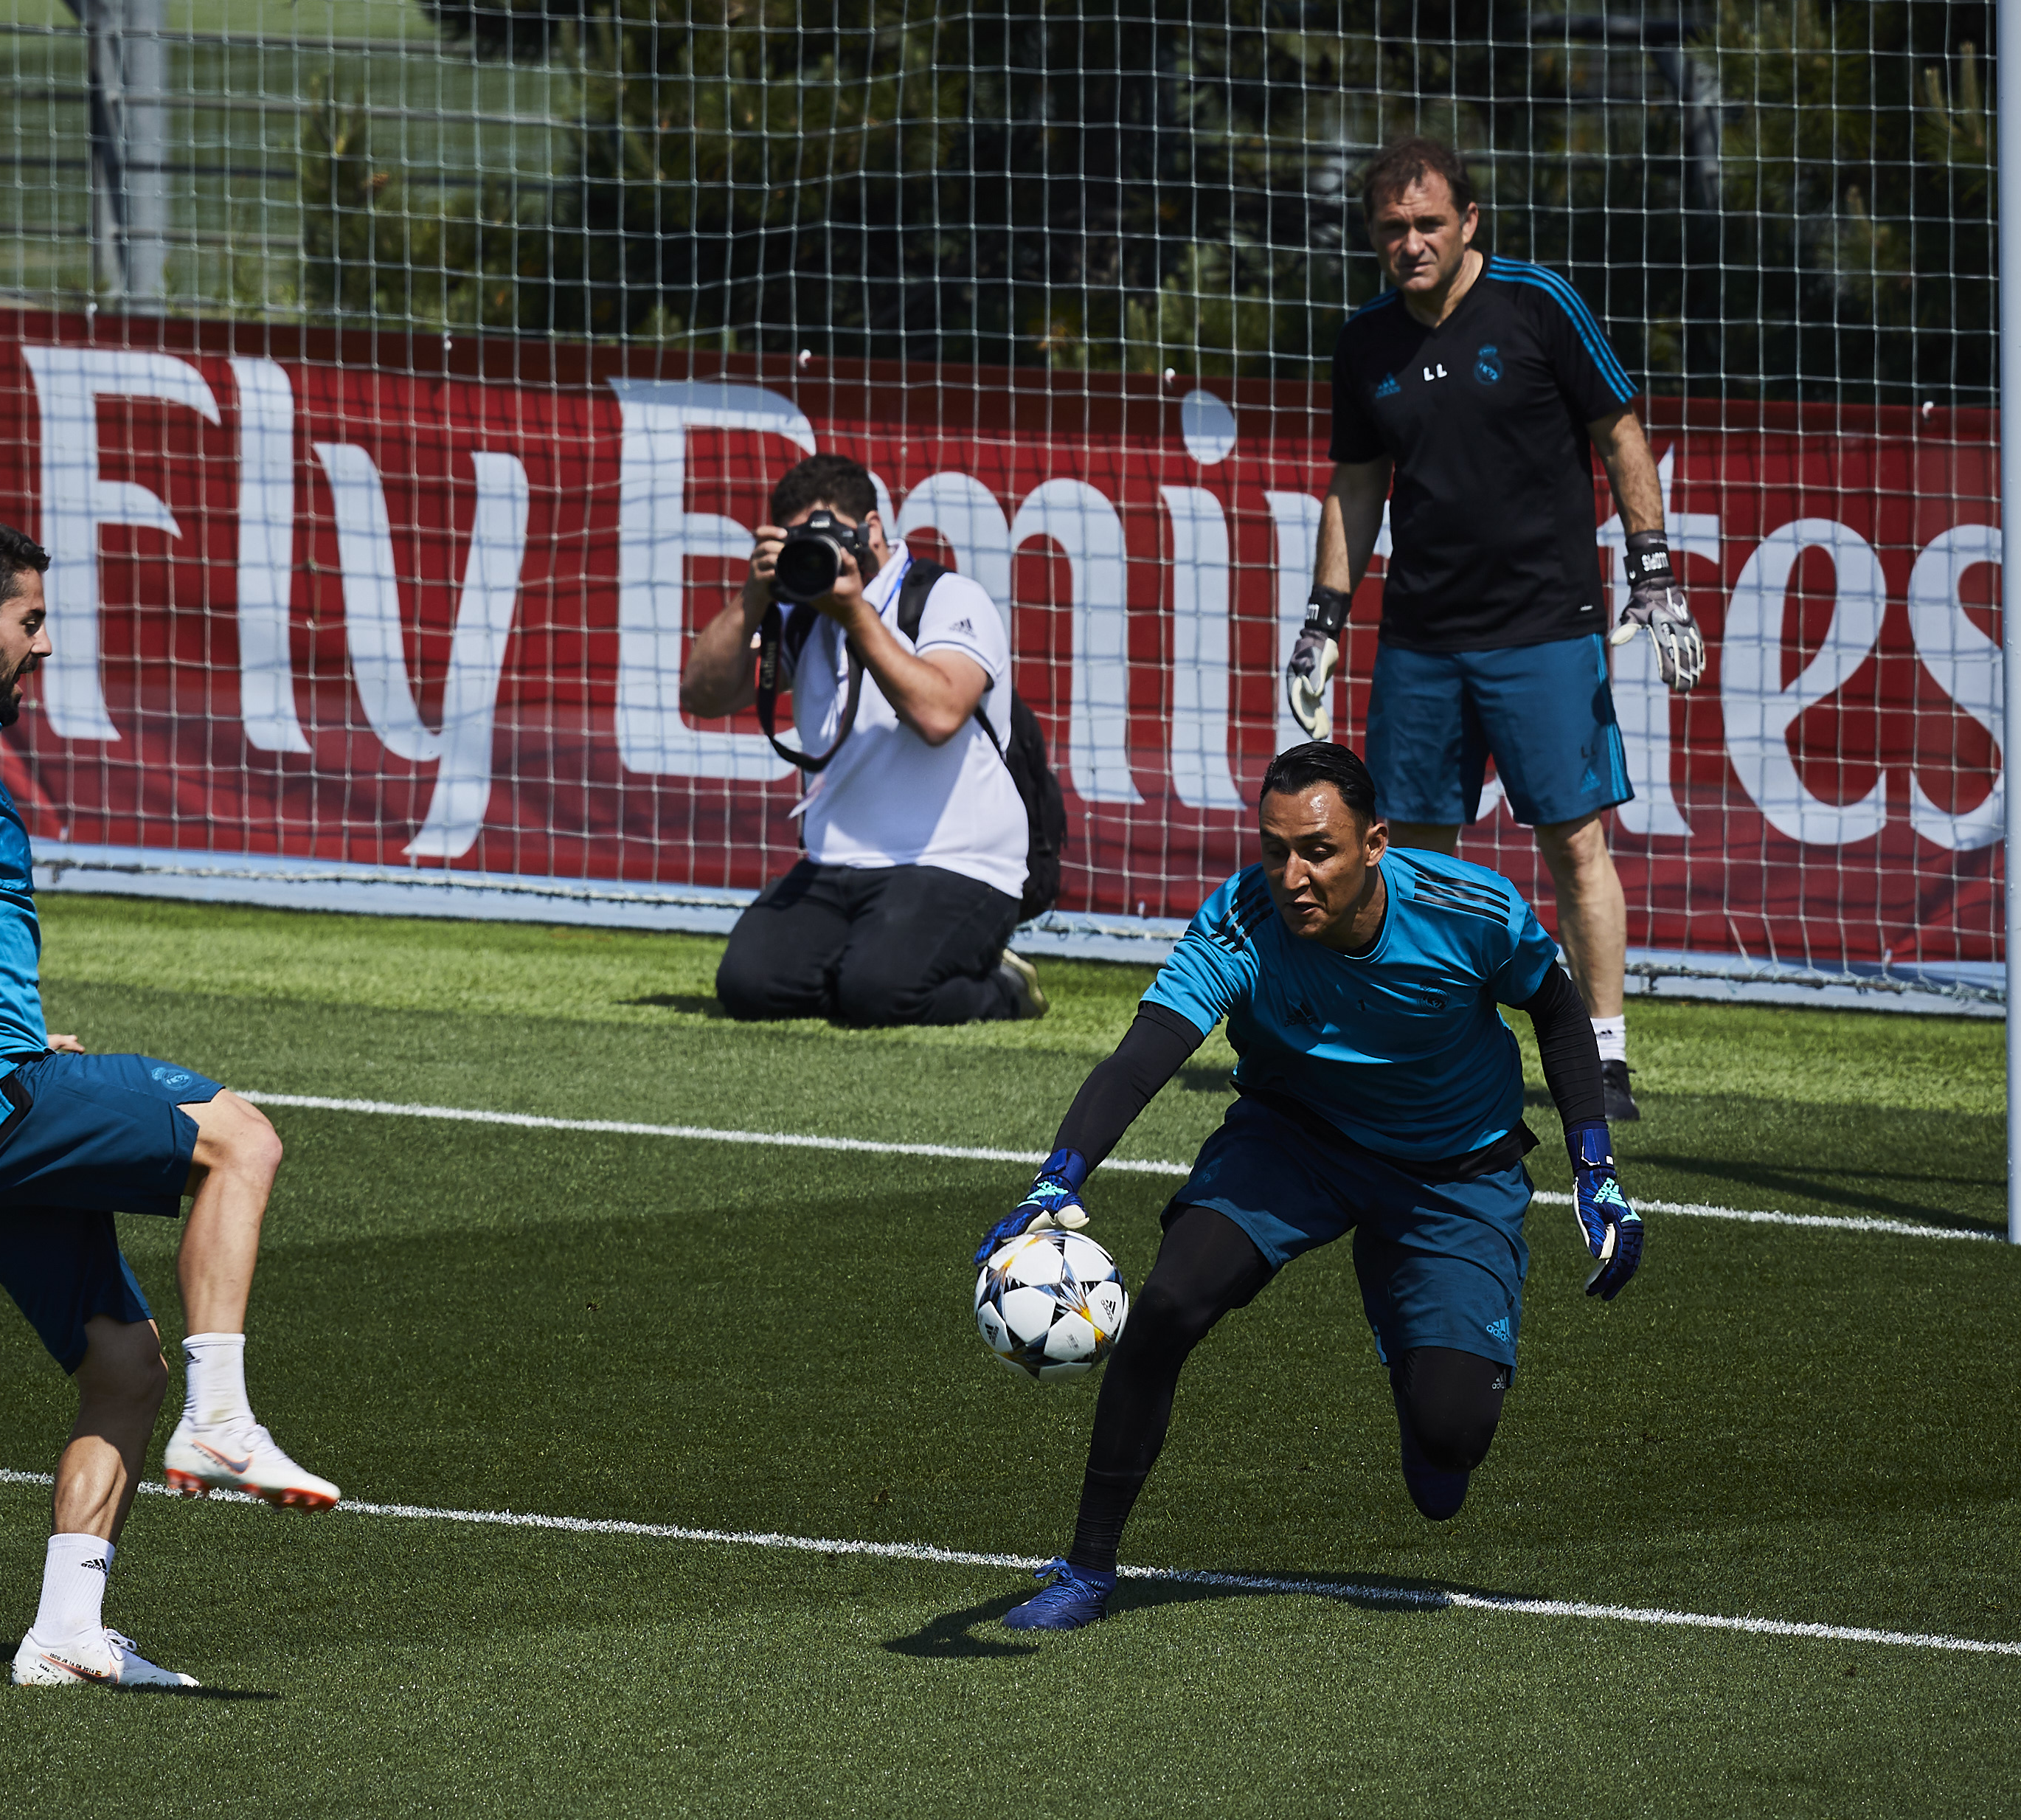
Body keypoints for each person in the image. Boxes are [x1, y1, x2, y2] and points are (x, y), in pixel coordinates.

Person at [0, 513, 339, 1691]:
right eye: (30, 620)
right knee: (240, 1137)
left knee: (121, 1361)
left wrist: (1, 1027)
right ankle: (224, 1418)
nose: (45, 645)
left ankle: (66, 1627)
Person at [973, 742, 1644, 1631]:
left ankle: (1412, 1327)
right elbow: (1145, 1054)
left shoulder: (1470, 908)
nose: (1292, 876)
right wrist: (1056, 1177)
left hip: (1454, 1171)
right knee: (1166, 1305)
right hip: (1294, 1142)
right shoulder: (1240, 921)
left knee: (1448, 1451)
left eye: (1317, 851)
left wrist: (1594, 1168)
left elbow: (1558, 1012)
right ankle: (1088, 1568)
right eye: (1273, 848)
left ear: (1375, 843)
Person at [1286, 134, 1705, 1121]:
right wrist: (1323, 620)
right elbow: (1355, 484)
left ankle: (1602, 1060)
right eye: (1393, 228)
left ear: (1469, 221)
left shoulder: (1537, 303)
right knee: (1419, 856)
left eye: (1430, 224)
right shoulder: (1365, 342)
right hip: (1423, 641)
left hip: (1546, 631)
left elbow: (1621, 432)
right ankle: (1440, 1036)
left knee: (1575, 843)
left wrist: (1653, 573)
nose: (1412, 243)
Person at [681, 452, 1043, 1026]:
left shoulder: (946, 598)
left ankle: (1000, 988)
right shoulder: (803, 616)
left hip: (957, 862)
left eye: (824, 536)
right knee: (751, 987)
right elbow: (702, 695)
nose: (816, 554)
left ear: (871, 529)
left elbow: (940, 716)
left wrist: (853, 612)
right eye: (797, 542)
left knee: (882, 994)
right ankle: (856, 967)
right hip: (836, 862)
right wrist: (754, 598)